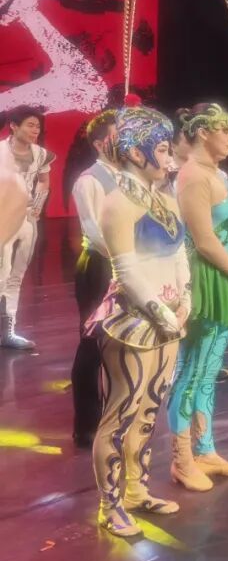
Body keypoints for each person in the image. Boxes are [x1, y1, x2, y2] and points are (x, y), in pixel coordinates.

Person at [86, 102, 188, 537]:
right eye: (163, 149)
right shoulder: (117, 202)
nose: (170, 158)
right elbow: (125, 271)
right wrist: (164, 313)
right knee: (121, 414)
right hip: (133, 320)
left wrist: (185, 301)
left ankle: (135, 490)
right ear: (135, 152)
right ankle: (109, 505)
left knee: (148, 409)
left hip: (168, 320)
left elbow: (180, 254)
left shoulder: (165, 198)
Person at [167, 104, 228, 489]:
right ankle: (181, 459)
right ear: (204, 132)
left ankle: (205, 448)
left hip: (222, 274)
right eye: (224, 130)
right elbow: (205, 241)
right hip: (205, 277)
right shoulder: (192, 176)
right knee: (191, 372)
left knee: (208, 370)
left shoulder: (217, 175)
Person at [70, 110, 119, 447]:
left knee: (120, 342)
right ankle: (86, 424)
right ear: (101, 143)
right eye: (118, 136)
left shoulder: (131, 176)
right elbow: (94, 230)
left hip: (127, 263)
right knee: (93, 341)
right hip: (100, 264)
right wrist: (126, 255)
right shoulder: (88, 180)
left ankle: (115, 415)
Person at [0, 106, 54, 349]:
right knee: (1, 274)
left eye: (38, 126)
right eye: (30, 125)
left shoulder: (40, 154)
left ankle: (8, 332)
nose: (35, 130)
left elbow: (43, 181)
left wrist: (37, 206)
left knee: (16, 276)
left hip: (27, 221)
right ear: (14, 126)